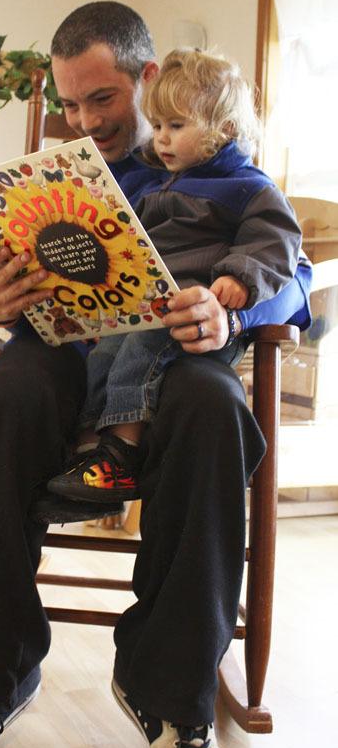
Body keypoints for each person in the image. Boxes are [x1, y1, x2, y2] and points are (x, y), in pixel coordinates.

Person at [0, 2, 312, 748]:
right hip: (63, 356)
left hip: (178, 360)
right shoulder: (68, 178)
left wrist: (232, 309)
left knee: (212, 406)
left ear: (148, 80)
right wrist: (0, 294)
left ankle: (173, 702)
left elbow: (290, 272)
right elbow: (25, 302)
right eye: (70, 105)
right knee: (8, 394)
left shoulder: (218, 173)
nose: (85, 122)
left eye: (103, 100)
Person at [47, 48, 301, 504]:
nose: (161, 138)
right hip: (149, 301)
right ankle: (89, 452)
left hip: (193, 310)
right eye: (158, 125)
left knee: (140, 349)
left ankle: (121, 453)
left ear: (224, 129)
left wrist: (239, 280)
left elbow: (279, 241)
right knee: (104, 354)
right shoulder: (162, 183)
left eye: (176, 126)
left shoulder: (248, 186)